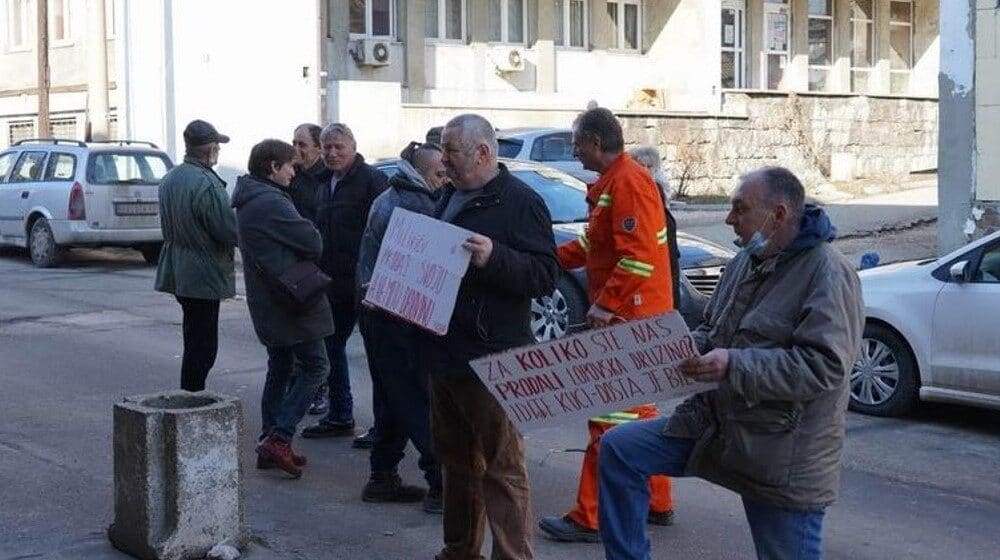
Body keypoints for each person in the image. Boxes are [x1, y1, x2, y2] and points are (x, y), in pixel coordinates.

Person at [597, 167, 864, 560]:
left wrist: (733, 365)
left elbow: (824, 368)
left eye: (740, 209)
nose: (728, 219)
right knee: (620, 448)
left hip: (780, 455)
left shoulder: (828, 272)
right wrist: (670, 349)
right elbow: (712, 330)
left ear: (778, 215)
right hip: (717, 428)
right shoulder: (746, 260)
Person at [538, 108, 678, 544]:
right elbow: (594, 244)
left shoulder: (627, 182)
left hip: (628, 318)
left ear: (596, 143)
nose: (574, 151)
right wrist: (548, 262)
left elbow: (638, 258)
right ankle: (656, 500)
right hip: (638, 316)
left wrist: (604, 305)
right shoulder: (617, 182)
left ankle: (592, 516)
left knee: (609, 420)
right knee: (639, 416)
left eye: (577, 143)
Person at [427, 114, 558, 560]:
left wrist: (494, 257)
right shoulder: (446, 195)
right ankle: (459, 551)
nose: (443, 161)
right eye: (443, 151)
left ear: (483, 152)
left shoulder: (522, 202)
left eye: (451, 151)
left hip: (493, 356)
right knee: (457, 463)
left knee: (502, 468)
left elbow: (544, 275)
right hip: (445, 351)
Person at [355, 141, 448, 513]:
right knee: (416, 398)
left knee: (392, 395)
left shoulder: (392, 196)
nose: (446, 180)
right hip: (397, 317)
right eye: (440, 174)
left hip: (380, 313)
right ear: (422, 173)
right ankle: (440, 482)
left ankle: (382, 476)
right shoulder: (415, 204)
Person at [231, 139, 333, 478]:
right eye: (289, 165)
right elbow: (313, 242)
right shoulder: (270, 201)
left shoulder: (251, 197)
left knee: (281, 366)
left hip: (272, 300)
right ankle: (280, 437)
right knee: (316, 367)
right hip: (290, 301)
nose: (293, 172)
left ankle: (268, 440)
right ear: (273, 167)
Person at [302, 123, 388, 440]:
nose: (332, 153)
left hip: (367, 284)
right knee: (330, 347)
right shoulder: (323, 183)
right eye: (327, 147)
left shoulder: (372, 181)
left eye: (339, 146)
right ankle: (340, 415)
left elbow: (384, 231)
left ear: (353, 146)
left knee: (378, 357)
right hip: (334, 284)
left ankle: (385, 428)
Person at [155, 119, 237, 392]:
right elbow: (227, 230)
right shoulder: (206, 184)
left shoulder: (171, 178)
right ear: (209, 150)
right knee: (203, 345)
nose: (218, 152)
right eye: (217, 148)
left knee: (193, 338)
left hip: (179, 270)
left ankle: (190, 392)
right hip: (203, 273)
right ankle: (192, 396)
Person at [290, 123, 325, 224]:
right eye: (294, 144)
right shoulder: (287, 174)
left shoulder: (328, 177)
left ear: (319, 148)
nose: (295, 149)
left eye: (302, 145)